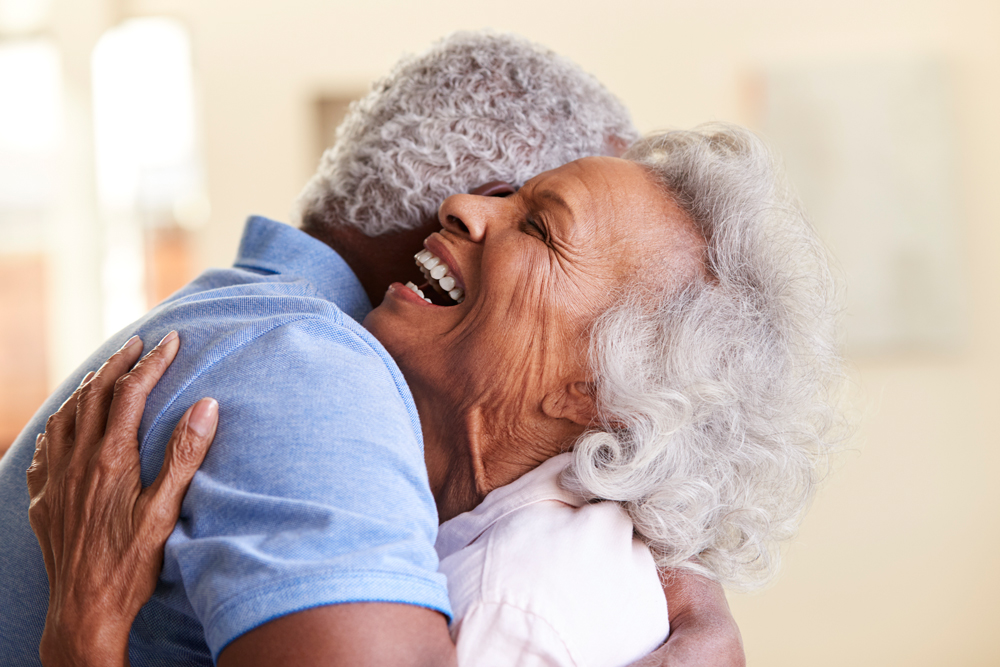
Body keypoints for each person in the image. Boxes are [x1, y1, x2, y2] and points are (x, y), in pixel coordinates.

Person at [0, 33, 745, 667]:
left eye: (537, 223)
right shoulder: (312, 372)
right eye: (523, 199)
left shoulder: (245, 323)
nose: (471, 213)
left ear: (606, 375)